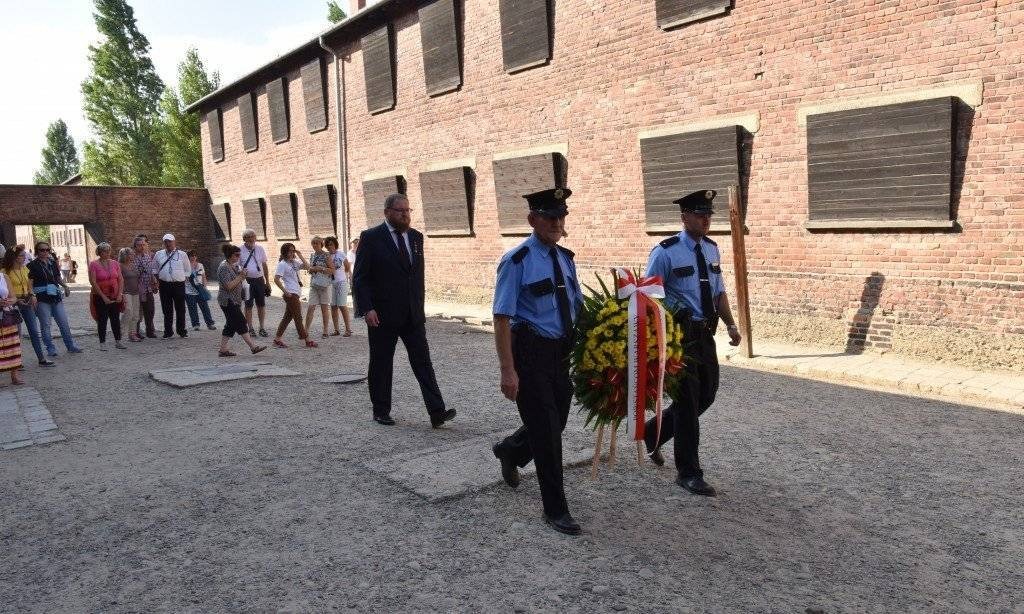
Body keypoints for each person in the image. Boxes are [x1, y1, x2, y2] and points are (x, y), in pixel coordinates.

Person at [490, 187, 583, 536]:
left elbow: (575, 305)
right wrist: (507, 370)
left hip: (561, 354)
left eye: (561, 216)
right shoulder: (517, 261)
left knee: (554, 421)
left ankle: (510, 450)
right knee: (547, 433)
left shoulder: (565, 258)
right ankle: (555, 509)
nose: (556, 223)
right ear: (532, 220)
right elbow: (501, 318)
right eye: (549, 217)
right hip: (530, 354)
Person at [642, 189, 742, 497]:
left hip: (704, 334)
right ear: (684, 216)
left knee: (707, 395)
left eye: (709, 215)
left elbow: (718, 291)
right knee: (687, 403)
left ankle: (652, 432)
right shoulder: (665, 252)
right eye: (700, 214)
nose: (706, 219)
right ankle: (689, 472)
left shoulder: (712, 250)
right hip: (678, 337)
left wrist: (730, 323)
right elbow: (648, 294)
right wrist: (673, 311)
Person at [352, 193, 453, 428]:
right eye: (400, 211)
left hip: (412, 314)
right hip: (382, 314)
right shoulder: (371, 237)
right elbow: (360, 278)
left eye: (408, 210)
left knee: (423, 363)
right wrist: (367, 308)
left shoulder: (416, 238)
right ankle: (381, 410)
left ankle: (437, 411)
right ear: (387, 212)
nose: (405, 215)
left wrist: (419, 306)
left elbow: (416, 277)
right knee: (381, 362)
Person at [27, 241, 82, 357]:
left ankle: (70, 346)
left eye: (47, 250)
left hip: (55, 296)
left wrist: (65, 286)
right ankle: (50, 348)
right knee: (46, 325)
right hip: (42, 298)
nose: (45, 252)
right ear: (37, 251)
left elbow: (57, 278)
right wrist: (32, 295)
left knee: (63, 323)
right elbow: (30, 284)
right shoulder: (32, 265)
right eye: (42, 250)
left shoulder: (52, 263)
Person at [1, 245, 53, 367]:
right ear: (13, 257)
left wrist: (32, 295)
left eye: (24, 255)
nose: (24, 258)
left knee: (34, 331)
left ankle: (41, 358)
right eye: (21, 256)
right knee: (16, 334)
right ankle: (16, 362)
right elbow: (5, 290)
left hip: (27, 301)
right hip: (12, 303)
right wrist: (16, 300)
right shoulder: (4, 272)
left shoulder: (25, 269)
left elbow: (30, 286)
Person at [216, 244, 267, 357]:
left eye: (239, 254)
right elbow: (228, 286)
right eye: (237, 255)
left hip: (234, 300)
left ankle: (223, 349)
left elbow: (236, 280)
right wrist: (240, 277)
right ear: (230, 255)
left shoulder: (231, 265)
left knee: (230, 325)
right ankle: (253, 347)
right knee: (241, 322)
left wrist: (241, 275)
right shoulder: (224, 267)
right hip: (227, 300)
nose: (239, 257)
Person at [272, 243, 318, 349]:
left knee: (287, 318)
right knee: (298, 317)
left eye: (293, 250)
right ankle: (307, 340)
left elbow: (308, 268)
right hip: (290, 293)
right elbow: (276, 279)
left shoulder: (294, 263)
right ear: (285, 252)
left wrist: (300, 255)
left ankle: (277, 340)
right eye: (290, 251)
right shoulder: (282, 264)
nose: (292, 253)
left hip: (295, 292)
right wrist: (284, 291)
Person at [87, 242, 125, 351]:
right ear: (99, 252)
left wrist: (120, 294)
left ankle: (118, 341)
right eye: (105, 251)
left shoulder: (115, 263)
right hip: (100, 296)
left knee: (115, 319)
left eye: (109, 250)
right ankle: (102, 342)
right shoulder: (93, 264)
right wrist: (103, 297)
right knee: (102, 319)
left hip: (114, 294)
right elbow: (93, 282)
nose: (107, 253)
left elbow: (120, 279)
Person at [152, 233, 191, 339]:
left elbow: (188, 270)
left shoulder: (182, 254)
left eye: (170, 241)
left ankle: (181, 330)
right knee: (167, 309)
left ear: (174, 242)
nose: (168, 243)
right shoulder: (158, 254)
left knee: (180, 308)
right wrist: (157, 280)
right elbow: (154, 268)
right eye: (166, 242)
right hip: (164, 284)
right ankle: (168, 331)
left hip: (178, 284)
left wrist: (183, 278)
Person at [239, 229, 271, 337]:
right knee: (248, 305)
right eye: (249, 237)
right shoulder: (239, 250)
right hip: (247, 281)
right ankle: (250, 328)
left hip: (259, 279)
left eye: (253, 236)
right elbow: (236, 267)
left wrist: (267, 281)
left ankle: (262, 327)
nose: (252, 238)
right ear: (244, 239)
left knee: (261, 304)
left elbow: (264, 265)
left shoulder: (260, 248)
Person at [303, 236, 334, 338]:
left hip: (324, 285)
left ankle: (325, 331)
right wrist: (310, 269)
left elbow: (332, 270)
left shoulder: (326, 255)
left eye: (317, 243)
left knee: (324, 308)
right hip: (314, 284)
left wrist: (320, 268)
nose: (315, 245)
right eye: (313, 243)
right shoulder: (312, 255)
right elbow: (310, 269)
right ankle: (305, 330)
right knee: (311, 307)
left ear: (321, 244)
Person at [0, 263, 25, 385]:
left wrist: (9, 301)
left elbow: (14, 297)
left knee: (12, 345)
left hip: (7, 314)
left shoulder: (4, 277)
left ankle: (15, 376)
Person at [325, 236, 353, 336]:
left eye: (331, 244)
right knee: (333, 306)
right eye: (328, 245)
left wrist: (344, 274)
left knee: (342, 305)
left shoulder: (340, 253)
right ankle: (336, 329)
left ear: (335, 244)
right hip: (332, 283)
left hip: (341, 281)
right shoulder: (327, 256)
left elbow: (347, 266)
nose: (329, 247)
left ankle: (348, 329)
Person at [132, 235, 158, 338]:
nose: (142, 247)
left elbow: (151, 271)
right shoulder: (132, 257)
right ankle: (136, 332)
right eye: (139, 245)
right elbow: (134, 272)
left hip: (148, 288)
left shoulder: (148, 256)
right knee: (138, 311)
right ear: (135, 247)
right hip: (137, 288)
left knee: (150, 310)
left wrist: (154, 281)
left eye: (143, 245)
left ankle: (150, 331)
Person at [184, 250, 216, 331]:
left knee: (205, 307)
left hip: (200, 289)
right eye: (191, 256)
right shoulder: (185, 266)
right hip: (189, 290)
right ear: (188, 257)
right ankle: (196, 324)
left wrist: (205, 287)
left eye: (195, 255)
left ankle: (210, 323)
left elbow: (203, 276)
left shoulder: (200, 265)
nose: (193, 257)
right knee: (192, 308)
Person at [118, 248, 142, 343]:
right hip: (126, 292)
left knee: (136, 315)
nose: (133, 256)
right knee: (128, 311)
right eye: (131, 254)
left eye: (133, 254)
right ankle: (120, 332)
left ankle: (132, 334)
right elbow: (118, 279)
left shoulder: (133, 265)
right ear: (125, 256)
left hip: (136, 292)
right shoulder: (120, 266)